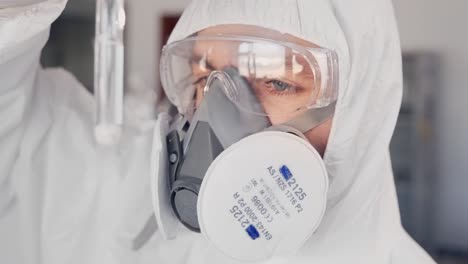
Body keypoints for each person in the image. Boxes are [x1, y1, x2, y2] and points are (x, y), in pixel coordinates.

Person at [0, 0, 436, 263]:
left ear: (361, 108)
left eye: (277, 81)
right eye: (203, 73)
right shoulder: (128, 226)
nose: (217, 111)